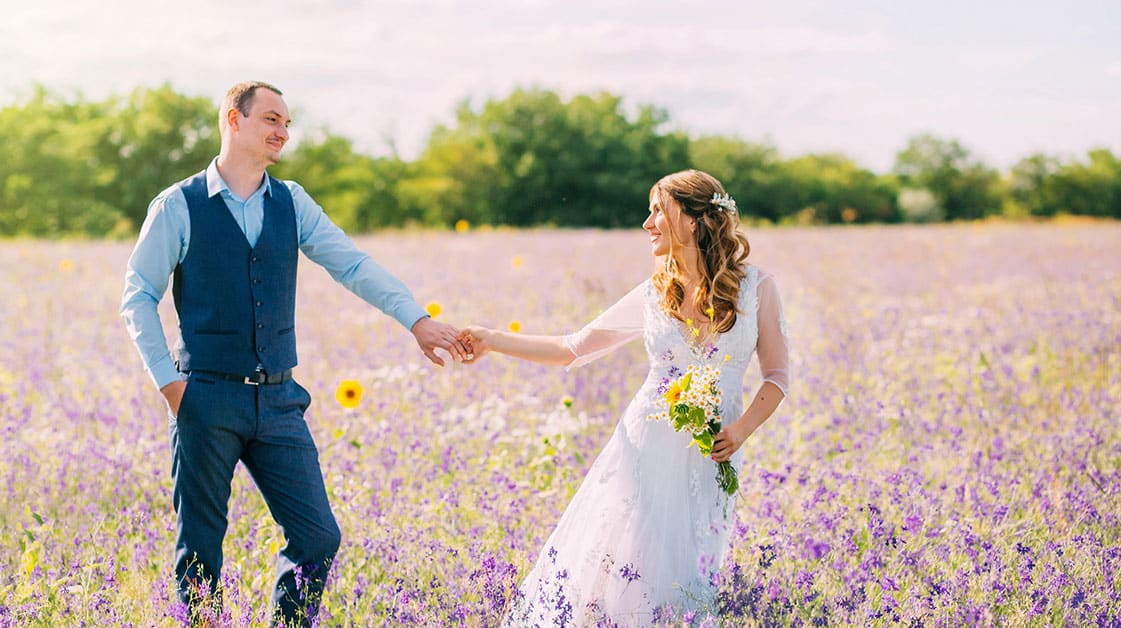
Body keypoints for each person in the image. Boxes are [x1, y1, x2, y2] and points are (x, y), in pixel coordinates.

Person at [119, 81, 469, 626]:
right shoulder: (178, 206)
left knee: (317, 536)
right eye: (271, 120)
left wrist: (416, 320)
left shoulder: (292, 202)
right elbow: (138, 296)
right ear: (233, 121)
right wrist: (170, 384)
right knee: (200, 553)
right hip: (204, 397)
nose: (283, 132)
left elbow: (351, 265)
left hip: (280, 399)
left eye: (287, 124)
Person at [459, 169, 790, 624]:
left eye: (658, 211)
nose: (646, 223)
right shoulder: (655, 294)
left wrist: (742, 429)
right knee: (627, 559)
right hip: (643, 449)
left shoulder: (756, 288)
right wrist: (493, 339)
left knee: (690, 568)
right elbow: (572, 349)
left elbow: (776, 377)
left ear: (694, 220)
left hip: (712, 454)